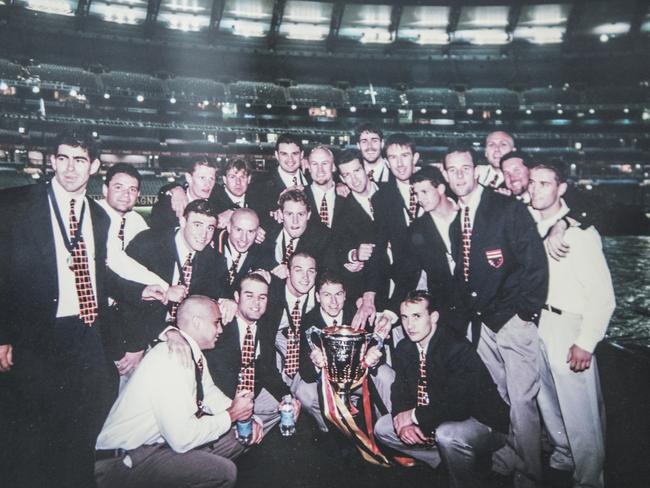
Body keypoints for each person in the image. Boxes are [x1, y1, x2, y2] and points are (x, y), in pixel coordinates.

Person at [0, 128, 163, 488]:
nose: (69, 169)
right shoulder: (16, 204)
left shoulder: (98, 216)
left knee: (81, 431)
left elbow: (97, 274)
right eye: (62, 158)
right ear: (52, 161)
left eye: (78, 160)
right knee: (32, 434)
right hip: (39, 333)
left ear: (93, 166)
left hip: (88, 332)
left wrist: (141, 290)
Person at [444, 145, 548, 488]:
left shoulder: (507, 209)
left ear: (477, 170)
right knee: (500, 398)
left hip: (512, 321)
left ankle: (531, 474)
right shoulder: (458, 222)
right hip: (485, 324)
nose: (459, 175)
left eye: (465, 168)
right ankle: (509, 455)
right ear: (445, 175)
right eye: (452, 170)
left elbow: (535, 263)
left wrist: (525, 313)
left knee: (521, 401)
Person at [95, 296, 260, 488]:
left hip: (154, 449)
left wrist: (245, 417)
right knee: (224, 472)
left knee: (239, 438)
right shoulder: (173, 358)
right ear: (197, 323)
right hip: (121, 462)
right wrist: (231, 415)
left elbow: (209, 393)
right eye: (217, 323)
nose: (221, 330)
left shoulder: (193, 354)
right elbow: (183, 438)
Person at [528, 161, 614, 488]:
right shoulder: (532, 224)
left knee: (582, 414)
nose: (535, 189)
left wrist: (586, 341)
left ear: (561, 188)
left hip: (568, 323)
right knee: (548, 400)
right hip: (539, 321)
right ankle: (564, 453)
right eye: (533, 183)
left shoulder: (581, 235)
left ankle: (591, 478)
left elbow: (603, 296)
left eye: (544, 183)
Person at [375, 291, 509, 488]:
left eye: (417, 316)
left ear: (434, 317)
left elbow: (458, 406)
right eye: (404, 317)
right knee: (383, 428)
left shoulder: (456, 347)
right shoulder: (405, 347)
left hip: (481, 422)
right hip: (436, 417)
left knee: (447, 435)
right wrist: (404, 423)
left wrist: (413, 416)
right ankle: (444, 461)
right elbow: (399, 392)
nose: (409, 325)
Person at [122, 199, 230, 349]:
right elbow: (124, 294)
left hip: (183, 342)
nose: (204, 235)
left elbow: (220, 294)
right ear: (183, 222)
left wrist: (228, 300)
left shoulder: (214, 261)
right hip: (138, 336)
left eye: (210, 228)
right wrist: (135, 347)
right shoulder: (147, 243)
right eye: (197, 225)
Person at [98, 163, 169, 383]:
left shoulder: (136, 221)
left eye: (132, 189)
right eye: (118, 187)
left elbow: (147, 265)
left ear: (139, 193)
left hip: (126, 313)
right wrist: (164, 286)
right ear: (104, 189)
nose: (125, 195)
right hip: (97, 312)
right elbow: (117, 262)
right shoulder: (94, 216)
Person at [204, 273, 301, 433]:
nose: (256, 303)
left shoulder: (264, 326)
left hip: (250, 393)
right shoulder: (221, 325)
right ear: (236, 297)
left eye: (262, 297)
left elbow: (268, 369)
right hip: (218, 400)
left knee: (284, 409)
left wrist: (287, 397)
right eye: (249, 296)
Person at [299, 272, 393, 431]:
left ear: (345, 295)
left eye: (338, 294)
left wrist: (374, 356)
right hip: (328, 383)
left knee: (386, 375)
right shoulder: (308, 321)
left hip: (360, 380)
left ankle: (386, 430)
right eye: (327, 295)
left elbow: (378, 349)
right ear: (317, 297)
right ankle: (330, 429)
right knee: (303, 392)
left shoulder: (358, 315)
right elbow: (305, 371)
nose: (334, 302)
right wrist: (315, 362)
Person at [355, 133, 424, 327]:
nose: (400, 163)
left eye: (405, 155)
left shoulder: (435, 184)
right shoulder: (382, 198)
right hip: (404, 283)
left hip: (441, 282)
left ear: (415, 158)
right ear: (386, 162)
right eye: (393, 157)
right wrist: (370, 294)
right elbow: (377, 248)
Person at [331, 148, 387, 306]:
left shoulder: (389, 192)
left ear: (366, 169)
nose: (354, 180)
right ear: (342, 178)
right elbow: (340, 246)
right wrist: (354, 254)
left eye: (357, 171)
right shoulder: (342, 210)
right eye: (347, 175)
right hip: (375, 288)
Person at [407, 165, 460, 329]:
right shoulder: (417, 229)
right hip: (444, 311)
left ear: (441, 188)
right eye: (416, 194)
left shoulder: (467, 215)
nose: (419, 198)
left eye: (424, 191)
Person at [262, 188, 334, 279]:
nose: (295, 221)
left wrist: (291, 273)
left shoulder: (323, 238)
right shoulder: (265, 232)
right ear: (280, 214)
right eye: (289, 214)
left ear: (308, 215)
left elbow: (327, 276)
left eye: (300, 214)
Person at [216, 208, 274, 296]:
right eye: (239, 230)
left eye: (250, 231)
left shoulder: (262, 254)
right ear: (228, 227)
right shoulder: (213, 245)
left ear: (257, 231)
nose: (244, 238)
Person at [150, 156, 218, 231]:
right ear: (189, 178)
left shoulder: (218, 205)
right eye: (202, 178)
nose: (208, 184)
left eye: (211, 178)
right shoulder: (167, 207)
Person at [304, 145, 344, 229]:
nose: (320, 170)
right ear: (309, 168)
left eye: (324, 163)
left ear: (333, 167)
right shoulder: (300, 196)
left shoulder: (346, 195)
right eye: (315, 164)